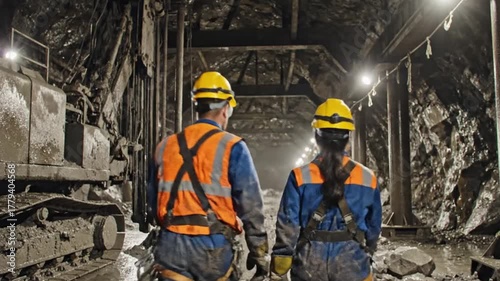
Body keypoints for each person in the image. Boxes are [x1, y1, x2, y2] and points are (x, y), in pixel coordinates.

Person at [147, 71, 270, 281]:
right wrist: (259, 252)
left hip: (171, 245)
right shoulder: (233, 146)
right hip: (212, 247)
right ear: (226, 109)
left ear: (197, 107)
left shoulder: (164, 146)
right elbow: (251, 206)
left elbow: (152, 201)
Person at [269, 98, 382, 281]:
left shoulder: (299, 176)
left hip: (309, 267)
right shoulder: (368, 177)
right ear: (348, 137)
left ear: (316, 136)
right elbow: (374, 227)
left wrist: (281, 261)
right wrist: (368, 250)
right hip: (352, 265)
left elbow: (287, 224)